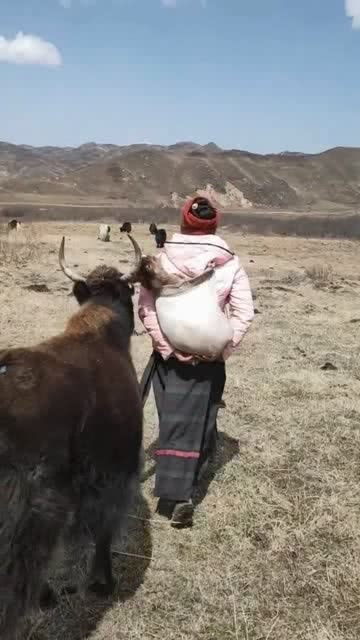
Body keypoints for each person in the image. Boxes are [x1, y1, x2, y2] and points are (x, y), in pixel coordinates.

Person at [138, 195, 254, 528]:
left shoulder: (160, 260)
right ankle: (184, 493)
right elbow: (244, 313)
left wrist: (167, 348)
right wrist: (222, 348)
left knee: (174, 423)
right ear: (214, 223)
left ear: (183, 222)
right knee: (202, 419)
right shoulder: (229, 263)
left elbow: (146, 309)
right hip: (209, 359)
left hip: (170, 360)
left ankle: (176, 492)